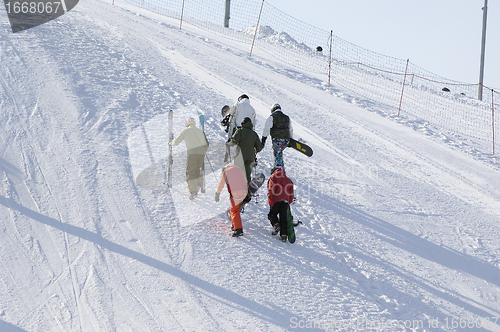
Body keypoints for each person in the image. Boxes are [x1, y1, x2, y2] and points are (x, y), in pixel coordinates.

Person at [171, 117, 209, 200]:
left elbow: (176, 142)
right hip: (201, 154)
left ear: (187, 123)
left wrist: (171, 143)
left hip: (192, 154)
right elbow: (206, 144)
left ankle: (193, 192)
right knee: (196, 169)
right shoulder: (200, 131)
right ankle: (199, 184)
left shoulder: (185, 131)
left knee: (190, 172)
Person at [214, 165, 248, 237]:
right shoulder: (239, 170)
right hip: (244, 191)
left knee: (234, 210)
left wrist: (217, 193)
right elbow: (245, 181)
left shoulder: (226, 172)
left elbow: (221, 184)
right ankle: (235, 224)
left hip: (235, 192)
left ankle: (238, 230)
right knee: (236, 208)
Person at [229, 117, 263, 184]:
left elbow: (233, 142)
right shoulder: (254, 134)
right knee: (247, 175)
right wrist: (253, 150)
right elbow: (259, 148)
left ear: (242, 123)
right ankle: (247, 191)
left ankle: (236, 190)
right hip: (250, 157)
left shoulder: (240, 131)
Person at [261, 103, 293, 169]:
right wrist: (291, 140)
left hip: (277, 140)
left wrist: (264, 138)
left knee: (277, 155)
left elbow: (266, 128)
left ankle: (278, 170)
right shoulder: (287, 117)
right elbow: (290, 129)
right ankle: (280, 169)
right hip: (286, 140)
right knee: (279, 153)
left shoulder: (272, 117)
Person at [267, 167, 294, 242]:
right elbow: (291, 193)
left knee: (272, 214)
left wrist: (270, 197)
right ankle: (284, 235)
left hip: (276, 200)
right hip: (285, 201)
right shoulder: (289, 180)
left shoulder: (273, 177)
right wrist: (289, 201)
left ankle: (276, 225)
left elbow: (271, 188)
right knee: (283, 218)